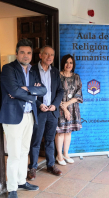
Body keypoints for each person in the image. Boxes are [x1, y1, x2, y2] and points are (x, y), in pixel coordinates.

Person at [0, 39, 47, 198]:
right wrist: (32, 92)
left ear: (32, 54)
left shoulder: (33, 71)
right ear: (17, 53)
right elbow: (13, 90)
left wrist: (26, 90)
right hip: (13, 116)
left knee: (25, 150)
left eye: (29, 52)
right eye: (22, 52)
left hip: (29, 115)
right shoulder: (8, 69)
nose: (26, 56)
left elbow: (43, 90)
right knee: (14, 153)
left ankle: (21, 181)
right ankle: (12, 188)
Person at [28, 45, 64, 180]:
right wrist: (38, 104)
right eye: (47, 54)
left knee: (50, 140)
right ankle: (32, 167)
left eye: (52, 55)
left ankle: (50, 165)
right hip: (39, 111)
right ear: (40, 55)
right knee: (36, 140)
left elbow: (60, 90)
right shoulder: (31, 71)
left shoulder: (55, 71)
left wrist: (55, 105)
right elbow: (28, 90)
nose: (50, 57)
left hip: (52, 111)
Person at [55, 54, 83, 165]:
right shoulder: (57, 76)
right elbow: (54, 94)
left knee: (68, 132)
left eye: (71, 63)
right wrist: (64, 107)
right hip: (60, 107)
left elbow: (79, 94)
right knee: (61, 132)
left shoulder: (76, 77)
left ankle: (66, 154)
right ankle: (59, 155)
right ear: (63, 63)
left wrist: (68, 104)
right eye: (66, 62)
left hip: (73, 108)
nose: (68, 65)